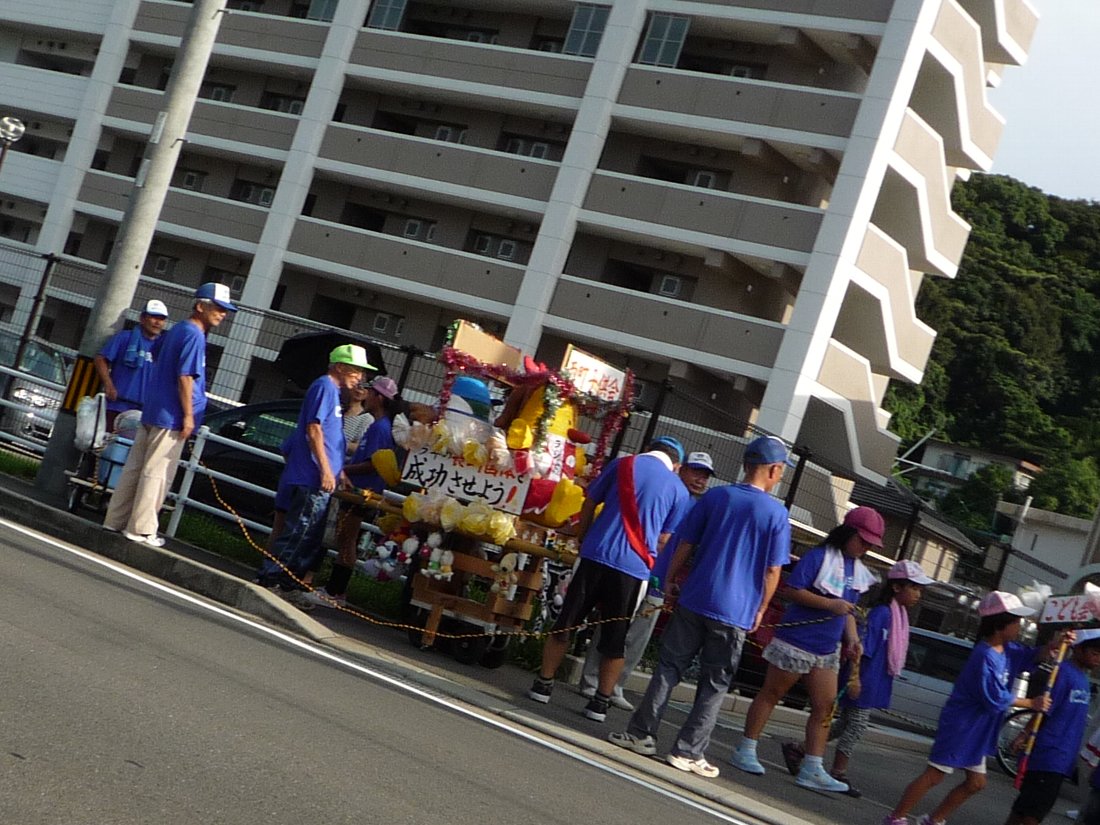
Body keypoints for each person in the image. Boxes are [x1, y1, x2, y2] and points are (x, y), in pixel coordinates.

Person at [608, 435, 793, 780]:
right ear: (773, 470)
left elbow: (684, 544)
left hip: (694, 596)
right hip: (736, 609)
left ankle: (640, 734)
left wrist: (669, 580)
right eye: (782, 470)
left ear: (746, 464)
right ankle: (687, 751)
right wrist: (762, 608)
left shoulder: (716, 497)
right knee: (714, 682)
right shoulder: (777, 514)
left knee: (668, 668)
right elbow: (773, 570)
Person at [527, 436, 691, 723]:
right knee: (616, 637)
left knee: (567, 622)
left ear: (647, 450)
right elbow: (665, 538)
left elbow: (590, 501)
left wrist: (583, 535)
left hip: (595, 554)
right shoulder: (679, 489)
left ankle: (543, 684)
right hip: (633, 568)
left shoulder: (622, 464)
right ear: (676, 465)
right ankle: (600, 702)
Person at [730, 506, 884, 792]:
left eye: (870, 544)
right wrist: (828, 604)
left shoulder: (856, 569)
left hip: (827, 648)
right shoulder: (818, 556)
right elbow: (792, 590)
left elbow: (848, 611)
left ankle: (813, 766)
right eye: (863, 541)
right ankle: (746, 748)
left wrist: (852, 639)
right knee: (772, 693)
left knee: (825, 706)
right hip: (797, 641)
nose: (866, 548)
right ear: (847, 533)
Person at [882, 592, 1058, 825]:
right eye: (1016, 621)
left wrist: (1054, 645)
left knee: (976, 783)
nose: (1019, 626)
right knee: (935, 775)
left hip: (978, 728)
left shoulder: (1008, 650)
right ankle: (895, 818)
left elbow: (1032, 656)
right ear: (1000, 624)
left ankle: (933, 820)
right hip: (962, 726)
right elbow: (994, 697)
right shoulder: (984, 655)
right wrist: (1031, 703)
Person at [783, 558, 936, 796]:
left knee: (845, 723)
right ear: (897, 587)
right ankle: (838, 771)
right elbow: (863, 649)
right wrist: (855, 678)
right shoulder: (882, 614)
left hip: (875, 680)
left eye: (920, 589)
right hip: (863, 678)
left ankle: (799, 749)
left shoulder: (899, 617)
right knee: (857, 724)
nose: (918, 594)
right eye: (914, 588)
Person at [578, 450, 716, 710]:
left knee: (637, 636)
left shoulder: (696, 507)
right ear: (681, 468)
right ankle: (591, 679)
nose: (701, 479)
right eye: (696, 472)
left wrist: (671, 578)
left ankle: (615, 686)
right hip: (636, 568)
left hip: (657, 580)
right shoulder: (666, 489)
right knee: (613, 626)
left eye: (706, 476)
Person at [103, 283, 236, 547]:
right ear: (200, 306)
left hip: (153, 409)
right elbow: (185, 377)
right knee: (158, 472)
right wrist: (188, 416)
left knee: (135, 468)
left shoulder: (177, 330)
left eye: (225, 310)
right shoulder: (194, 335)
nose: (222, 314)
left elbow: (156, 354)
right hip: (171, 415)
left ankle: (115, 520)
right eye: (218, 308)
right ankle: (141, 529)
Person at [254, 344, 376, 597]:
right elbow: (314, 429)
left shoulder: (332, 392)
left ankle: (287, 580)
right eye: (356, 370)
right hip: (312, 476)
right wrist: (326, 470)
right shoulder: (324, 387)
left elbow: (326, 436)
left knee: (308, 533)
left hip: (317, 476)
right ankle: (271, 576)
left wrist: (338, 471)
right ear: (340, 367)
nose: (359, 377)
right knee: (300, 530)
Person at [303, 376, 403, 608]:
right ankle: (334, 589)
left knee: (347, 540)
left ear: (379, 398)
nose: (366, 395)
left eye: (371, 392)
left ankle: (336, 592)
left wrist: (341, 469)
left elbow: (372, 463)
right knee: (345, 538)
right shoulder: (379, 426)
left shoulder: (380, 428)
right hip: (360, 489)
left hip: (362, 490)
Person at [1002, 629, 1100, 825]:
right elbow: (1045, 710)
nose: (1098, 659)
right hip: (1049, 754)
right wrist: (1024, 734)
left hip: (1063, 756)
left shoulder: (1083, 679)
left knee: (1025, 808)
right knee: (1033, 813)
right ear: (1078, 649)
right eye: (1094, 653)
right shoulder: (1062, 673)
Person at [93, 299, 169, 432]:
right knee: (106, 441)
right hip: (116, 406)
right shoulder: (124, 338)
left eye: (161, 319)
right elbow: (101, 359)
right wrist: (109, 385)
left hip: (145, 412)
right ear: (142, 318)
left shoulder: (165, 347)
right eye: (153, 317)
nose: (157, 322)